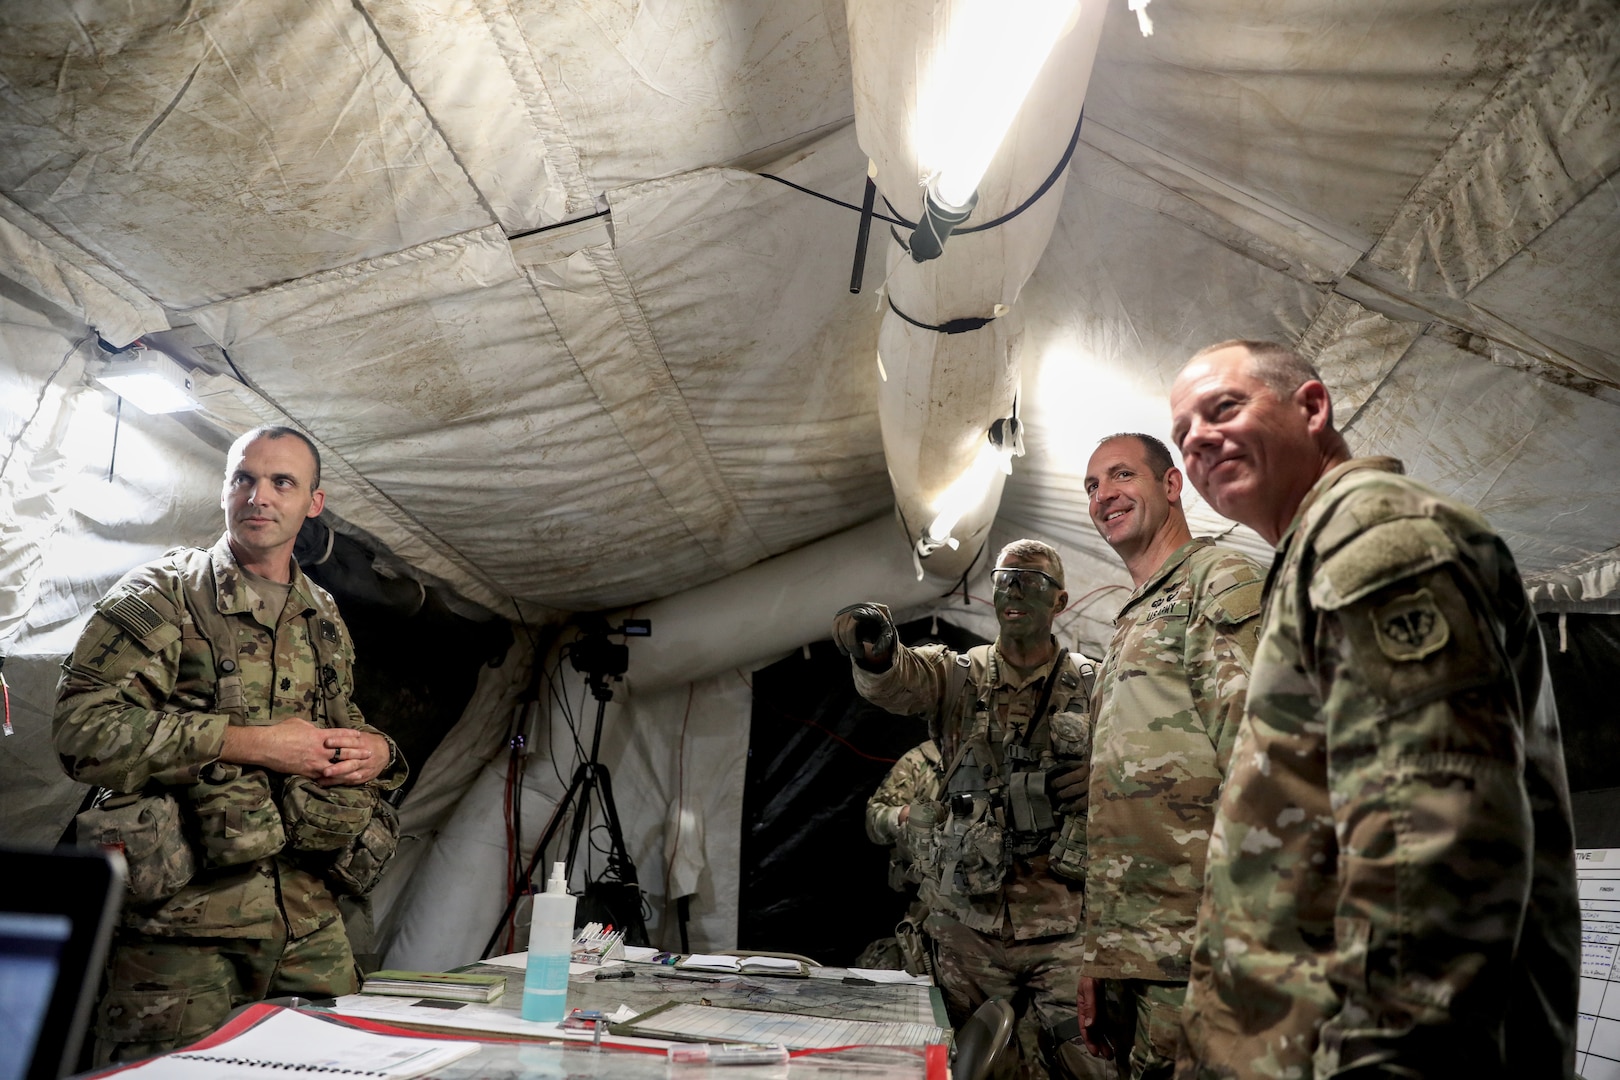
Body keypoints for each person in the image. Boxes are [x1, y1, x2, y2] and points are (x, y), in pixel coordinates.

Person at [1166, 340, 1579, 1078]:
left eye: (1223, 407)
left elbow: (1433, 835)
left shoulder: (1371, 535)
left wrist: (1388, 1061)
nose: (1198, 438)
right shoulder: (1317, 551)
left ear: (1313, 408)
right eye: (1183, 434)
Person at [55, 425, 408, 1064]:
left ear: (313, 503)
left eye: (281, 483)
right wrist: (254, 744)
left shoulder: (320, 612)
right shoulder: (162, 595)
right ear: (224, 489)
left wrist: (377, 751)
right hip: (184, 933)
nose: (258, 497)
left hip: (308, 918)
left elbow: (341, 719)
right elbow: (83, 732)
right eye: (243, 478)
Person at [832, 539, 1108, 1080]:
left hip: (1061, 926)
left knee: (1087, 1062)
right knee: (949, 1060)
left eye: (1031, 580)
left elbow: (1148, 767)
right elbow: (904, 680)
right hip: (967, 926)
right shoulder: (960, 677)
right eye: (1005, 577)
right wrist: (879, 653)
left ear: (1062, 601)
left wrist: (1106, 779)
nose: (1014, 589)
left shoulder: (1095, 685)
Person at [1074, 434, 1265, 1079]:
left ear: (1174, 485)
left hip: (1200, 954)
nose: (1104, 496)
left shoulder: (1217, 581)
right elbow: (1117, 808)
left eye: (1122, 475)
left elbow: (1262, 768)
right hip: (1139, 953)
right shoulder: (1133, 617)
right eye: (1093, 486)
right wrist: (1102, 954)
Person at [862, 738, 945, 977]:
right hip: (928, 904)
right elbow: (874, 820)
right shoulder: (921, 761)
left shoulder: (998, 753)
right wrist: (902, 816)